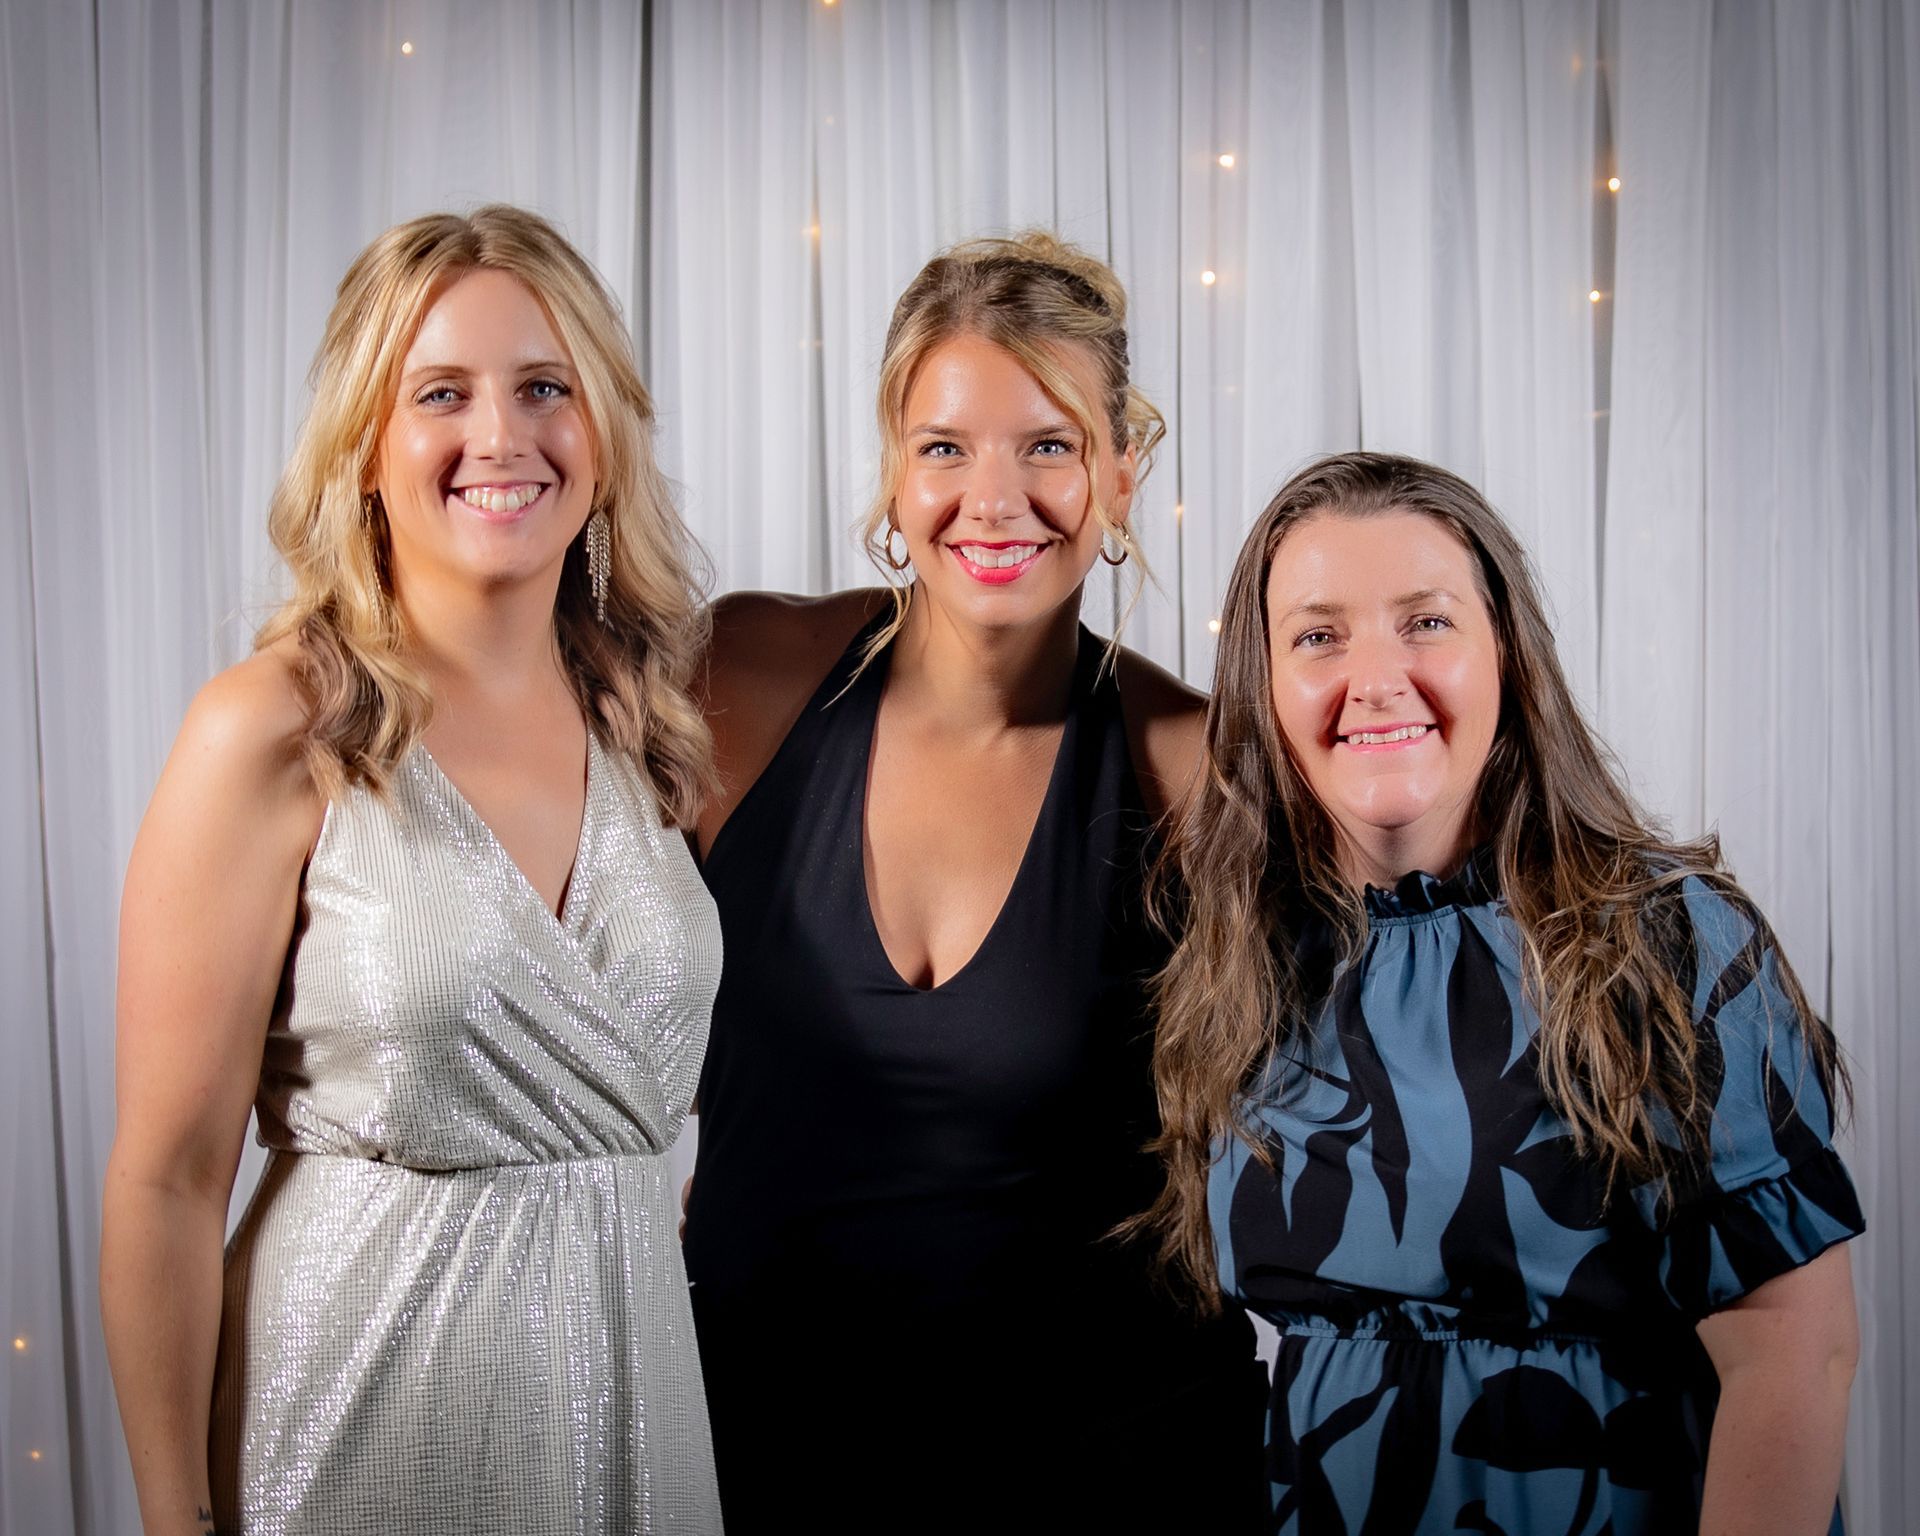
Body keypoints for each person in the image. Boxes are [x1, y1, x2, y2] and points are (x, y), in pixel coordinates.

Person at [100, 206, 724, 1535]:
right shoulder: (270, 727)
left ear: (603, 437)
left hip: (631, 1421)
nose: (501, 437)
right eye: (441, 392)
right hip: (357, 1425)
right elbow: (162, 1184)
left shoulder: (648, 725)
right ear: (366, 449)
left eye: (545, 388)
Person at [1142, 450, 1864, 1533]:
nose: (1375, 676)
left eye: (1425, 622)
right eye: (1319, 634)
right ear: (1265, 687)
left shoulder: (1665, 933)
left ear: (1507, 658)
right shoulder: (1243, 955)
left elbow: (1797, 1353)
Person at [682, 232, 1265, 1532]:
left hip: (1106, 1474)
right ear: (894, 468)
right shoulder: (748, 683)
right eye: (945, 447)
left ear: (1125, 470)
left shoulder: (1191, 768)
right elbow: (519, 852)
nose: (993, 499)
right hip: (762, 1461)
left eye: (1048, 445)